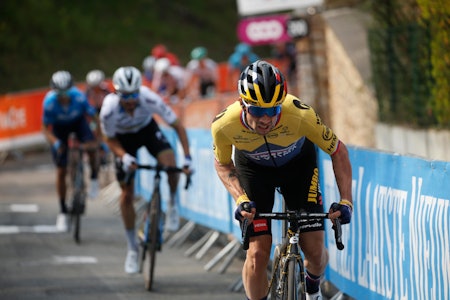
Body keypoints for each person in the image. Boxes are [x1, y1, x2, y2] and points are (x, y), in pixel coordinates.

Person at [211, 60, 353, 300]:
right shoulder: (224, 124)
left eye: (273, 110)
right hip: (254, 172)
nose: (266, 119)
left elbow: (338, 150)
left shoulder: (300, 114)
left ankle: (312, 287)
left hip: (299, 168)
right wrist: (241, 199)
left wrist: (346, 201)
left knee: (315, 252)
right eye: (258, 111)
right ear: (242, 104)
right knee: (256, 254)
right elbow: (223, 163)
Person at [99, 66, 192, 274]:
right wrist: (123, 156)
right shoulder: (109, 109)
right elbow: (108, 138)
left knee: (170, 163)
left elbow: (178, 126)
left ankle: (172, 202)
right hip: (122, 140)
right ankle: (132, 247)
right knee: (126, 195)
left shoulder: (150, 99)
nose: (131, 100)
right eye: (126, 95)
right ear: (116, 93)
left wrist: (187, 158)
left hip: (147, 131)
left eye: (134, 94)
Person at [42, 70, 101, 231]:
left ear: (71, 89)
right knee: (61, 171)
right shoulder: (49, 103)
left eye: (66, 92)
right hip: (59, 128)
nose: (63, 96)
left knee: (92, 148)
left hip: (78, 123)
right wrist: (55, 143)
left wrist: (98, 138)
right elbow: (45, 129)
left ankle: (94, 179)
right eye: (59, 93)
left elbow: (94, 118)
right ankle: (62, 211)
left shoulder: (79, 97)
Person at [85, 69, 111, 169]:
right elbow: (84, 101)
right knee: (93, 126)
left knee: (103, 125)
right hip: (93, 110)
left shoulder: (105, 88)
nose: (95, 88)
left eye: (96, 86)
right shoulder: (88, 90)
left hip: (103, 109)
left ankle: (104, 145)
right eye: (93, 87)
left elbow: (112, 98)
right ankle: (95, 143)